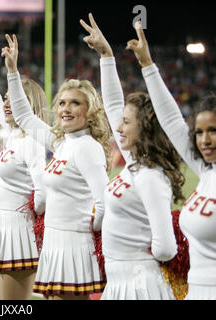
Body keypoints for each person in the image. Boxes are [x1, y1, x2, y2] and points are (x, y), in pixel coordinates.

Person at [80, 13, 184, 299]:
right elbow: (113, 103)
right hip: (121, 281)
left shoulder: (150, 176)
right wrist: (106, 55)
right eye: (121, 120)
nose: (119, 126)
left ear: (146, 128)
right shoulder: (135, 165)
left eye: (127, 122)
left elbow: (166, 248)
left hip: (141, 284)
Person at [2, 33, 112, 300]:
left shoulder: (87, 147)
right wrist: (13, 72)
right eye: (62, 103)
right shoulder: (61, 143)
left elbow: (105, 202)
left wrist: (87, 229)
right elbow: (25, 116)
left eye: (75, 103)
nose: (66, 109)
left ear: (90, 110)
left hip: (74, 244)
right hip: (54, 241)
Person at [127, 21, 216, 299]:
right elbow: (172, 121)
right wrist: (148, 65)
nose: (205, 140)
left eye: (213, 130)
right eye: (200, 132)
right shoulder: (206, 171)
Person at [0, 25, 47, 300]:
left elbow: (42, 194)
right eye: (6, 98)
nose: (5, 103)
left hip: (18, 228)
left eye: (12, 100)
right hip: (2, 226)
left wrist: (22, 218)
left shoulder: (34, 141)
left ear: (28, 106)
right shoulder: (10, 132)